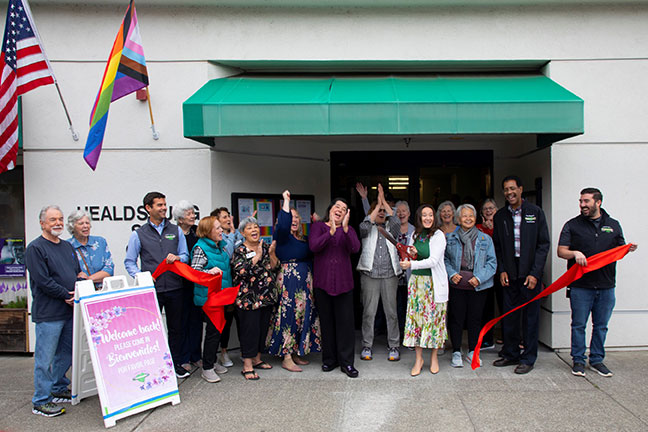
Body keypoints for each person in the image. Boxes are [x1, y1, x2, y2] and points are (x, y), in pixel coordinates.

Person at [557, 187, 638, 377]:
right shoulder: (572, 225)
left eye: (586, 201)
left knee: (601, 325)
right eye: (580, 201)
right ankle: (578, 360)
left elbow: (619, 250)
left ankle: (596, 360)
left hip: (606, 286)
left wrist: (628, 249)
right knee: (578, 325)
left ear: (598, 202)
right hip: (580, 286)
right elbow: (561, 251)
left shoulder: (613, 225)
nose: (582, 205)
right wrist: (575, 253)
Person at [25, 206, 86, 417]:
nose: (58, 223)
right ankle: (40, 400)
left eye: (60, 219)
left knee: (67, 353)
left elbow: (74, 273)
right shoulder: (35, 248)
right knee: (45, 358)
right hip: (49, 312)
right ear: (42, 223)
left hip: (69, 310)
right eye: (52, 220)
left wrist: (80, 288)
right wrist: (66, 295)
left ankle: (58, 388)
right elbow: (42, 280)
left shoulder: (67, 247)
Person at [124, 192, 190, 379]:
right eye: (159, 205)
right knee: (152, 330)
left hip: (175, 288)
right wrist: (141, 276)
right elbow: (129, 261)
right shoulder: (138, 234)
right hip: (152, 290)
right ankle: (153, 365)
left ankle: (175, 364)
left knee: (176, 328)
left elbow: (185, 256)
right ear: (148, 208)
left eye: (164, 204)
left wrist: (178, 258)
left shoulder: (175, 231)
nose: (163, 208)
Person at [492, 176, 550, 374]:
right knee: (509, 316)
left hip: (529, 273)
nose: (509, 193)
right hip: (509, 272)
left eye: (512, 189)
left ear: (521, 189)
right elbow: (497, 247)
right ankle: (510, 353)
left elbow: (543, 245)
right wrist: (502, 270)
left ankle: (528, 358)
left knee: (530, 318)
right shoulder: (500, 216)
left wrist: (535, 273)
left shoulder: (535, 213)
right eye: (506, 190)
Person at [267, 190, 321, 372]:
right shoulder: (282, 236)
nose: (295, 220)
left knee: (302, 316)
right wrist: (286, 201)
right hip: (289, 281)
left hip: (305, 282)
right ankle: (286, 356)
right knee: (288, 315)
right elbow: (282, 225)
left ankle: (297, 351)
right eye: (292, 217)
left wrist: (318, 224)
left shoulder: (303, 239)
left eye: (297, 217)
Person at [309, 198, 361, 378]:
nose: (340, 210)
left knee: (345, 325)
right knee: (327, 323)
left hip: (344, 285)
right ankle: (329, 359)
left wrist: (344, 229)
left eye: (344, 209)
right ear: (330, 209)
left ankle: (347, 363)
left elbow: (355, 248)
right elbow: (314, 246)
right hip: (322, 284)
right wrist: (330, 231)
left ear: (347, 214)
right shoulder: (318, 227)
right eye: (337, 206)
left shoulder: (349, 230)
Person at [444, 204, 497, 368]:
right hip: (457, 285)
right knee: (456, 319)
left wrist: (479, 278)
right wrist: (452, 274)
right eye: (464, 216)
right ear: (458, 219)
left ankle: (473, 351)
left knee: (475, 319)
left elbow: (492, 262)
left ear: (476, 218)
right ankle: (456, 351)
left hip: (478, 286)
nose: (468, 219)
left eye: (471, 216)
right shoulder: (450, 238)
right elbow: (444, 260)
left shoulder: (485, 239)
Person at [399, 204, 448, 376]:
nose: (427, 218)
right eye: (424, 215)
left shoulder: (439, 235)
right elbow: (415, 254)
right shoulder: (415, 235)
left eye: (430, 215)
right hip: (416, 283)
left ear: (434, 217)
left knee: (434, 322)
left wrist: (411, 263)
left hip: (433, 284)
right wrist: (411, 253)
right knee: (416, 320)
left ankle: (434, 357)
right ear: (419, 218)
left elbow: (433, 260)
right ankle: (419, 358)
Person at [357, 184, 402, 362]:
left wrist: (383, 200)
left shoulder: (393, 228)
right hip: (370, 275)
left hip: (390, 275)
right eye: (379, 210)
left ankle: (394, 346)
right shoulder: (366, 227)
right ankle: (367, 345)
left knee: (391, 312)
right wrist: (376, 206)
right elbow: (366, 224)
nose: (382, 213)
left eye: (384, 210)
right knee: (369, 312)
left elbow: (396, 219)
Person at [231, 217, 279, 380]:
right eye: (250, 228)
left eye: (256, 227)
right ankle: (247, 365)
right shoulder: (239, 250)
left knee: (262, 330)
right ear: (243, 233)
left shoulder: (264, 246)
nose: (254, 230)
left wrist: (271, 253)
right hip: (248, 299)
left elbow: (274, 267)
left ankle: (257, 359)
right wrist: (257, 257)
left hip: (266, 297)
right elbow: (241, 272)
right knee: (249, 331)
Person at [191, 216, 232, 383]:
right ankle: (207, 368)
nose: (221, 230)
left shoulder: (220, 247)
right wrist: (209, 273)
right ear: (208, 231)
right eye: (217, 228)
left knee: (218, 331)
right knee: (213, 333)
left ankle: (212, 362)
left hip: (220, 297)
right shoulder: (200, 248)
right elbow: (194, 273)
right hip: (209, 299)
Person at [211, 206, 243, 367]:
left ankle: (246, 351)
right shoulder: (221, 238)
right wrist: (232, 234)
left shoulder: (234, 234)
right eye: (224, 217)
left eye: (228, 215)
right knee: (226, 320)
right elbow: (230, 253)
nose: (228, 218)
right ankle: (223, 352)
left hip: (240, 283)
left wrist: (236, 233)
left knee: (241, 319)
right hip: (226, 284)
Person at [173, 200, 203, 372]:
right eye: (189, 213)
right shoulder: (173, 233)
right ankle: (183, 357)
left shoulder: (198, 232)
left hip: (196, 283)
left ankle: (196, 355)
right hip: (179, 284)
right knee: (181, 321)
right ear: (180, 218)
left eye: (193, 213)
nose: (193, 216)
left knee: (196, 321)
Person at [66, 210, 114, 290]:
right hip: (79, 293)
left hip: (102, 293)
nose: (85, 226)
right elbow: (66, 275)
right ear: (72, 227)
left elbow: (109, 270)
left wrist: (88, 279)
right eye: (81, 223)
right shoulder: (66, 246)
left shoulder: (100, 242)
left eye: (87, 223)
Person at [476, 198, 501, 348]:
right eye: (485, 209)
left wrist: (493, 229)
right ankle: (487, 338)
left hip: (501, 272)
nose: (488, 211)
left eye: (491, 208)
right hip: (484, 274)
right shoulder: (478, 228)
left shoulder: (502, 225)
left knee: (505, 305)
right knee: (486, 307)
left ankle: (507, 337)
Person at [395, 200, 415, 340]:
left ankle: (410, 336)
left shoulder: (415, 230)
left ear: (408, 213)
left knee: (410, 307)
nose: (401, 213)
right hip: (395, 274)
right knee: (396, 307)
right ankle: (398, 335)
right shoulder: (392, 229)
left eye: (404, 211)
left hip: (410, 274)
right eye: (398, 211)